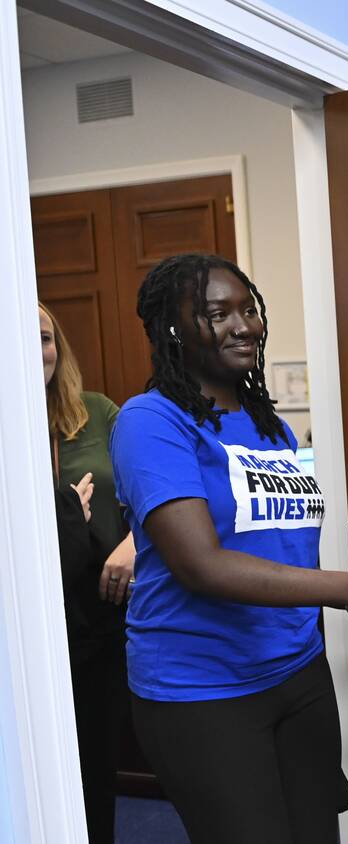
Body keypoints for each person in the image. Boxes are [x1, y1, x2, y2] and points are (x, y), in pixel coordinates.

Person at [109, 253, 348, 844]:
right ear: (173, 328)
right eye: (217, 313)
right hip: (201, 690)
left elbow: (280, 549)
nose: (243, 324)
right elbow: (201, 564)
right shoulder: (150, 420)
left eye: (249, 309)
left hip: (298, 673)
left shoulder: (269, 426)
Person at [40, 302, 134, 844]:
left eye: (47, 337)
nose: (38, 351)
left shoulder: (98, 412)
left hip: (99, 617)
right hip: (31, 622)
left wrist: (134, 544)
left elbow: (155, 491)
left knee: (94, 763)